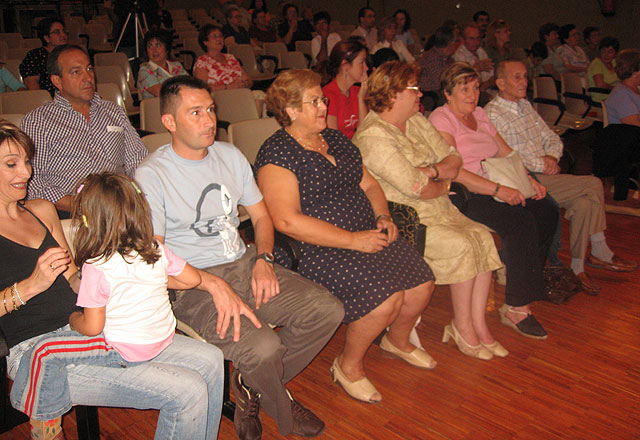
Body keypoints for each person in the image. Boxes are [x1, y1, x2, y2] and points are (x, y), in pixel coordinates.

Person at [135, 75, 343, 439]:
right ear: (169, 122)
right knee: (265, 347)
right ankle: (282, 404)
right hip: (192, 283)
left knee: (327, 310)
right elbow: (154, 257)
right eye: (195, 112)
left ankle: (250, 385)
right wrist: (211, 283)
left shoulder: (229, 155)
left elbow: (262, 217)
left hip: (245, 262)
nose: (209, 120)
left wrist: (263, 258)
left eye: (211, 110)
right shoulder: (152, 175)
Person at [0, 120, 224, 440]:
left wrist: (142, 279)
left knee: (213, 360)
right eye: (12, 164)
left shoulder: (41, 210)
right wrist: (32, 284)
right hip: (37, 348)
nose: (26, 172)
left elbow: (78, 280)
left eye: (26, 162)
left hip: (94, 327)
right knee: (187, 392)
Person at [254, 69, 436, 404]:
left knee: (422, 283)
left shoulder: (335, 139)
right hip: (318, 248)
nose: (323, 106)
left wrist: (383, 215)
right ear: (291, 111)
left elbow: (369, 184)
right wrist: (353, 240)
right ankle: (347, 366)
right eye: (314, 102)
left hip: (365, 234)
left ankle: (396, 340)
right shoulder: (278, 153)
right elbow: (286, 221)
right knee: (386, 300)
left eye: (322, 100)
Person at [352, 61, 505, 360]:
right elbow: (415, 188)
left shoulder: (416, 121)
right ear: (394, 94)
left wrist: (431, 172)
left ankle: (476, 325)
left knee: (482, 237)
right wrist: (439, 179)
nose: (420, 94)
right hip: (407, 218)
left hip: (440, 207)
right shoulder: (373, 135)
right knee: (462, 244)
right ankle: (462, 326)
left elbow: (453, 158)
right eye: (413, 88)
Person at [430, 62, 558, 340]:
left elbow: (506, 153)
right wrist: (498, 190)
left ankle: (521, 274)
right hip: (465, 191)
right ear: (447, 93)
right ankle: (517, 306)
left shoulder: (479, 115)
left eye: (475, 88)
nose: (472, 95)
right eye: (464, 89)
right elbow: (454, 170)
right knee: (520, 220)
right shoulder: (441, 118)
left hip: (495, 182)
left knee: (546, 210)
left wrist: (528, 181)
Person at [486, 60, 637, 294]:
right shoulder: (493, 114)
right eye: (517, 77)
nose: (524, 82)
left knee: (585, 202)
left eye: (525, 76)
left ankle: (578, 268)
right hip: (522, 178)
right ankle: (599, 252)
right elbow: (510, 157)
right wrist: (543, 164)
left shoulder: (524, 106)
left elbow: (552, 138)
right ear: (500, 83)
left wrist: (552, 158)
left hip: (542, 172)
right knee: (593, 183)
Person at [22, 45, 147, 215]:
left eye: (89, 69)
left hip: (118, 207)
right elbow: (33, 181)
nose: (87, 77)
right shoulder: (38, 121)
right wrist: (78, 204)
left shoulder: (113, 111)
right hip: (67, 212)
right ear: (57, 81)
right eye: (76, 72)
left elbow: (138, 159)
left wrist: (137, 193)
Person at [595, 49, 640, 200]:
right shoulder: (622, 94)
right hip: (624, 144)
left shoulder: (635, 90)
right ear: (635, 72)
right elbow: (633, 125)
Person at [322, 39, 369, 139]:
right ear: (345, 65)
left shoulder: (358, 91)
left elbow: (365, 133)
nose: (366, 68)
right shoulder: (329, 95)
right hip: (341, 151)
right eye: (361, 63)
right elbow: (333, 141)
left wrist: (361, 98)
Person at [193, 24, 253, 92]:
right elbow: (201, 88)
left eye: (221, 36)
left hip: (240, 93)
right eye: (214, 36)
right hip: (220, 98)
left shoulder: (230, 57)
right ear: (205, 42)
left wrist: (245, 83)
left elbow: (247, 79)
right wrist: (228, 87)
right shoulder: (202, 62)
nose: (219, 39)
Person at [19, 17, 67, 96]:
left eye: (64, 31)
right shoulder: (35, 55)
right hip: (47, 100)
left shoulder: (71, 53)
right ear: (46, 38)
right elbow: (32, 83)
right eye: (57, 32)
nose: (63, 35)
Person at [137, 28, 186, 99]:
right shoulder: (145, 71)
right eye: (150, 46)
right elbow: (161, 93)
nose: (154, 50)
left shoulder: (177, 66)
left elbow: (190, 86)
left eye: (158, 45)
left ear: (167, 48)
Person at [454, 23, 494, 102]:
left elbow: (493, 77)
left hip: (488, 91)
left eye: (478, 38)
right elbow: (461, 82)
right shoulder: (458, 55)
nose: (476, 42)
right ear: (462, 40)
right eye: (471, 39)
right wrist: (475, 69)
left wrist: (486, 85)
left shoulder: (481, 51)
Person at [418, 25, 456, 93]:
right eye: (457, 41)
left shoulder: (449, 59)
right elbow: (441, 84)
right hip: (430, 96)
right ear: (451, 43)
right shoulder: (432, 58)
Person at [586, 36, 619, 104]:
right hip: (602, 99)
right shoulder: (596, 64)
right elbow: (600, 85)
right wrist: (616, 89)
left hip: (615, 96)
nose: (606, 55)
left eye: (610, 52)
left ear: (615, 54)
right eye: (603, 51)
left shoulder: (614, 63)